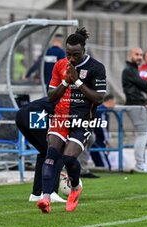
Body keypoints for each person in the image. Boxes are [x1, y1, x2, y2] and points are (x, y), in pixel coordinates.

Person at [37, 27, 106, 213]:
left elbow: (99, 98)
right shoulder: (60, 65)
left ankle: (75, 187)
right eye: (68, 54)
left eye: (75, 54)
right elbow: (51, 96)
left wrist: (77, 82)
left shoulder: (96, 68)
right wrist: (66, 82)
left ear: (83, 50)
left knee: (68, 158)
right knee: (50, 155)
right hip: (60, 117)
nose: (71, 58)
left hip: (82, 120)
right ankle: (45, 198)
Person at [15, 97, 66, 203]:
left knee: (45, 152)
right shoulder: (78, 106)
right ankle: (51, 192)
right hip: (35, 112)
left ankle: (36, 194)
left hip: (21, 115)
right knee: (57, 151)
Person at [122, 48, 147, 173]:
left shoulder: (133, 69)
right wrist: (145, 85)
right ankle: (140, 164)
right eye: (137, 54)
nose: (139, 57)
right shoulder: (129, 70)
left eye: (141, 55)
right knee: (143, 134)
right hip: (135, 104)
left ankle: (140, 163)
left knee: (142, 134)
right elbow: (145, 85)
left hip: (137, 104)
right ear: (130, 55)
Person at [90, 94, 116, 170]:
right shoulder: (103, 111)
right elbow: (103, 128)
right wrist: (108, 141)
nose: (114, 105)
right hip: (98, 140)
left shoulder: (97, 109)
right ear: (110, 101)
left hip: (93, 138)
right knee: (106, 167)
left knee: (98, 163)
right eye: (114, 102)